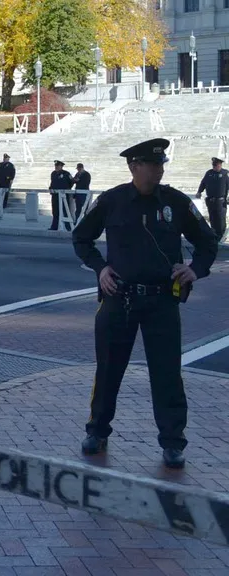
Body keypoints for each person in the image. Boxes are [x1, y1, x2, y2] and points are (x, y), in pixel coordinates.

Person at [72, 138, 219, 469]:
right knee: (108, 370)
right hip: (118, 298)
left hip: (162, 301)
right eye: (154, 165)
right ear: (134, 167)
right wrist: (100, 268)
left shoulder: (176, 203)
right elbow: (81, 238)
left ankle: (172, 442)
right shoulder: (111, 201)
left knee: (167, 374)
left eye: (162, 164)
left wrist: (194, 269)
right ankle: (97, 431)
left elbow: (208, 243)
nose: (160, 169)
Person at [196, 157, 228, 240]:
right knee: (213, 218)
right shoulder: (209, 173)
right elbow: (203, 183)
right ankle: (214, 234)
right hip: (210, 201)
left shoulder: (225, 174)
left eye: (216, 166)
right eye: (213, 166)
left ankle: (221, 236)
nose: (214, 167)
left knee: (220, 220)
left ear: (220, 165)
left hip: (220, 201)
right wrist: (199, 191)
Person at [48, 160, 74, 231]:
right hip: (55, 195)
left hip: (64, 195)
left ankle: (68, 227)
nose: (56, 167)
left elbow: (71, 182)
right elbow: (52, 182)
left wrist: (66, 189)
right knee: (55, 211)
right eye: (55, 166)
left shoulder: (66, 173)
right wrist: (51, 188)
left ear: (61, 166)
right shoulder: (53, 173)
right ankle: (54, 227)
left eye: (58, 166)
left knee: (66, 211)